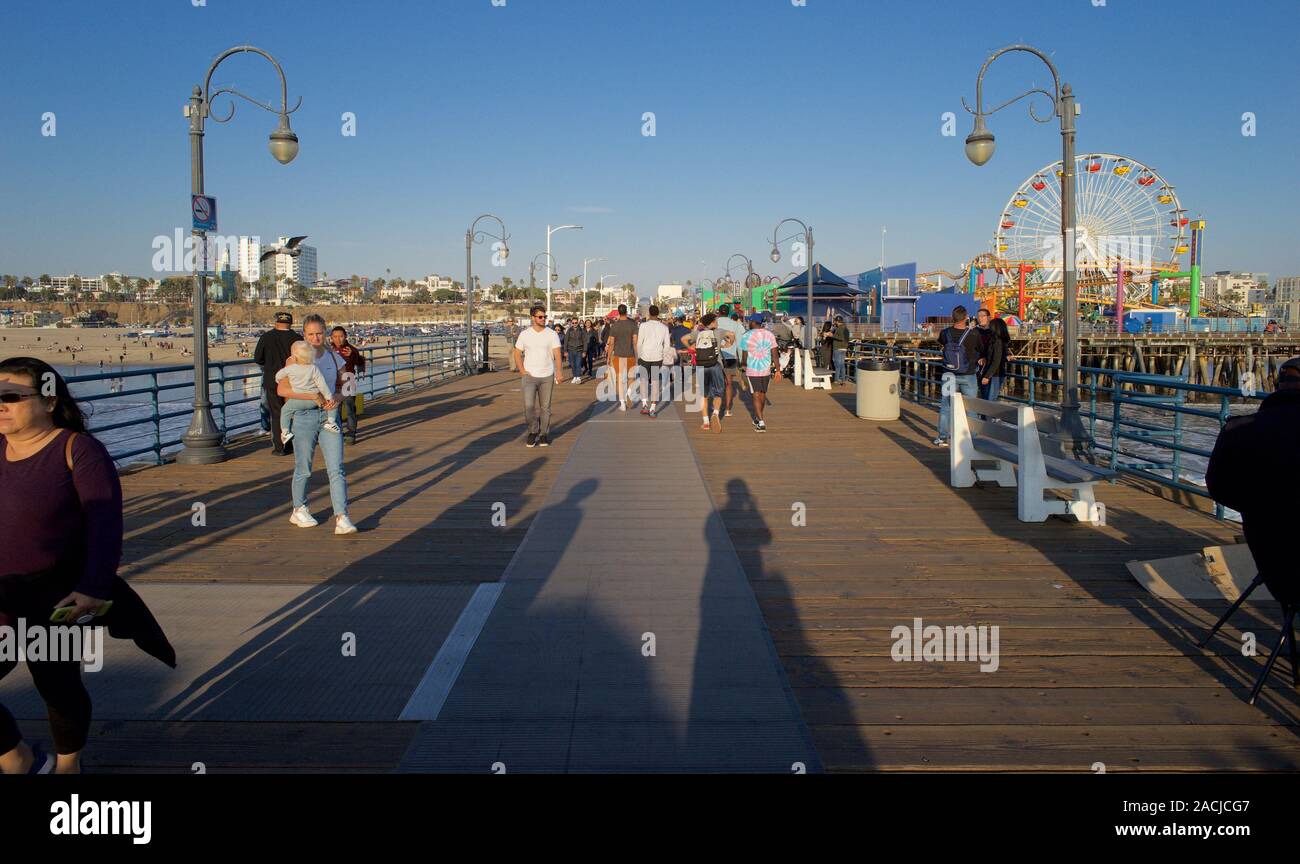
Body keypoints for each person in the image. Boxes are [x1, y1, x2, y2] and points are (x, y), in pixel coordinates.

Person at [0, 358, 175, 775]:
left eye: (11, 397)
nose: (1, 406)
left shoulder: (77, 450)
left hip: (58, 593)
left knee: (57, 684)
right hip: (3, 592)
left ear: (48, 400)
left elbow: (104, 525)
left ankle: (67, 766)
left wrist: (93, 588)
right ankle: (15, 756)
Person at [1206, 357, 1300, 611]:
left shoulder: (1238, 428)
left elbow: (1217, 486)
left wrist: (1256, 508)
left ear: (1278, 386)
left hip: (1275, 568)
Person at [277, 314, 356, 535]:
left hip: (329, 417)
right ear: (304, 336)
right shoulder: (294, 360)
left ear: (325, 333)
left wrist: (337, 398)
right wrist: (312, 397)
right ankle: (299, 508)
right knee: (304, 469)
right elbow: (282, 390)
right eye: (310, 334)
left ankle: (342, 517)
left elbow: (349, 385)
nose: (315, 338)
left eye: (319, 333)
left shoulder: (334, 358)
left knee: (336, 469)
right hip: (304, 417)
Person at [275, 340, 341, 445]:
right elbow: (321, 384)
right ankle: (331, 422)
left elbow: (278, 376)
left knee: (285, 410)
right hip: (314, 401)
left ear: (294, 357)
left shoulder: (290, 368)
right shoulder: (313, 368)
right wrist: (329, 397)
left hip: (299, 399)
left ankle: (285, 432)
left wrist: (278, 380)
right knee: (332, 404)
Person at [514, 305, 562, 447]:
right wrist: (522, 370)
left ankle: (543, 434)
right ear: (533, 318)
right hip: (529, 375)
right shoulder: (525, 334)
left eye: (544, 316)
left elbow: (557, 354)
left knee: (545, 407)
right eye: (540, 317)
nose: (543, 319)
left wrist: (559, 372)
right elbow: (517, 353)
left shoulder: (551, 334)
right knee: (529, 406)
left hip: (547, 375)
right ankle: (533, 431)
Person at [934, 305, 983, 447]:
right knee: (971, 407)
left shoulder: (945, 333)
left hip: (949, 374)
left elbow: (941, 343)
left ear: (952, 317)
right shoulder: (974, 334)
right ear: (966, 317)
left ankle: (943, 437)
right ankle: (973, 438)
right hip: (968, 374)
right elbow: (980, 348)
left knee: (946, 406)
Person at [254, 311, 301, 455]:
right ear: (291, 323)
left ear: (276, 322)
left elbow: (258, 358)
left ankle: (280, 447)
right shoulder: (297, 338)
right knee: (294, 412)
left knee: (276, 413)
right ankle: (294, 443)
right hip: (294, 380)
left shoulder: (266, 337)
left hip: (273, 380)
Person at [683, 313, 735, 432]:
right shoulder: (718, 332)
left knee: (703, 395)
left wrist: (691, 348)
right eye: (715, 321)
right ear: (711, 322)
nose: (717, 322)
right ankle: (715, 413)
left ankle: (706, 422)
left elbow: (683, 339)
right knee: (718, 393)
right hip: (715, 365)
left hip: (701, 365)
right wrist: (729, 343)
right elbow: (732, 335)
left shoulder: (698, 333)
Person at [739, 314, 780, 431]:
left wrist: (742, 366)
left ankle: (761, 422)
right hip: (766, 370)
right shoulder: (770, 335)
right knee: (762, 394)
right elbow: (775, 355)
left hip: (752, 370)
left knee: (756, 395)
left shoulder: (746, 336)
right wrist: (778, 370)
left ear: (753, 322)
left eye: (749, 321)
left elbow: (744, 355)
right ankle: (759, 418)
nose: (748, 323)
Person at [331, 326, 366, 445]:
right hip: (333, 384)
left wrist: (353, 356)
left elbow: (360, 362)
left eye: (340, 336)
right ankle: (338, 433)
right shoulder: (328, 349)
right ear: (331, 337)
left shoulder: (351, 349)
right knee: (336, 410)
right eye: (335, 336)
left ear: (345, 337)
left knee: (350, 409)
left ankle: (351, 434)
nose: (338, 339)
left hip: (348, 383)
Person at [635, 305, 672, 417]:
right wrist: (665, 358)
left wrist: (639, 357)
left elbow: (639, 343)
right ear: (658, 314)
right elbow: (667, 345)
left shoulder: (643, 326)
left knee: (643, 380)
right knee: (655, 381)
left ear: (649, 314)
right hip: (658, 357)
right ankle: (653, 407)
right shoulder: (664, 327)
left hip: (644, 356)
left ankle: (645, 404)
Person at [605, 304, 639, 411]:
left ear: (619, 312)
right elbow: (635, 342)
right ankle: (629, 392)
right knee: (631, 377)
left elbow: (611, 343)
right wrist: (637, 355)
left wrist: (609, 357)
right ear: (626, 311)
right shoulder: (633, 325)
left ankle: (622, 403)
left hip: (618, 355)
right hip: (630, 354)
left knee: (619, 379)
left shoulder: (615, 325)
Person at [715, 305, 745, 418]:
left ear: (718, 312)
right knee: (729, 383)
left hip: (716, 357)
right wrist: (742, 360)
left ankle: (716, 409)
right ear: (728, 312)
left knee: (716, 383)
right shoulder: (736, 325)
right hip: (730, 358)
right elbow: (740, 344)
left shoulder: (714, 323)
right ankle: (727, 410)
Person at [981, 317, 1011, 402]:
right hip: (994, 374)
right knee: (987, 400)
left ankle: (988, 415)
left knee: (989, 401)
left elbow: (996, 360)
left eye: (990, 326)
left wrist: (987, 376)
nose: (989, 327)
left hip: (995, 375)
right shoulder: (996, 340)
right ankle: (986, 415)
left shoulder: (997, 341)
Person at [564, 316, 588, 384]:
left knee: (578, 364)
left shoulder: (582, 330)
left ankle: (578, 377)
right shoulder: (569, 330)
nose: (574, 324)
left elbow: (585, 341)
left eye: (576, 322)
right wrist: (565, 351)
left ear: (578, 322)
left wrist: (584, 351)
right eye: (573, 323)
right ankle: (574, 376)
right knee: (572, 364)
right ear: (571, 323)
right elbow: (566, 341)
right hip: (570, 350)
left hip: (579, 350)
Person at [831, 315, 851, 385]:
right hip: (844, 348)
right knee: (842, 364)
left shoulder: (839, 328)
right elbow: (846, 338)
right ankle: (843, 379)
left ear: (837, 321)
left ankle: (837, 379)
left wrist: (831, 335)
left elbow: (841, 338)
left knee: (837, 364)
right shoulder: (846, 328)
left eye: (835, 321)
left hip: (838, 348)